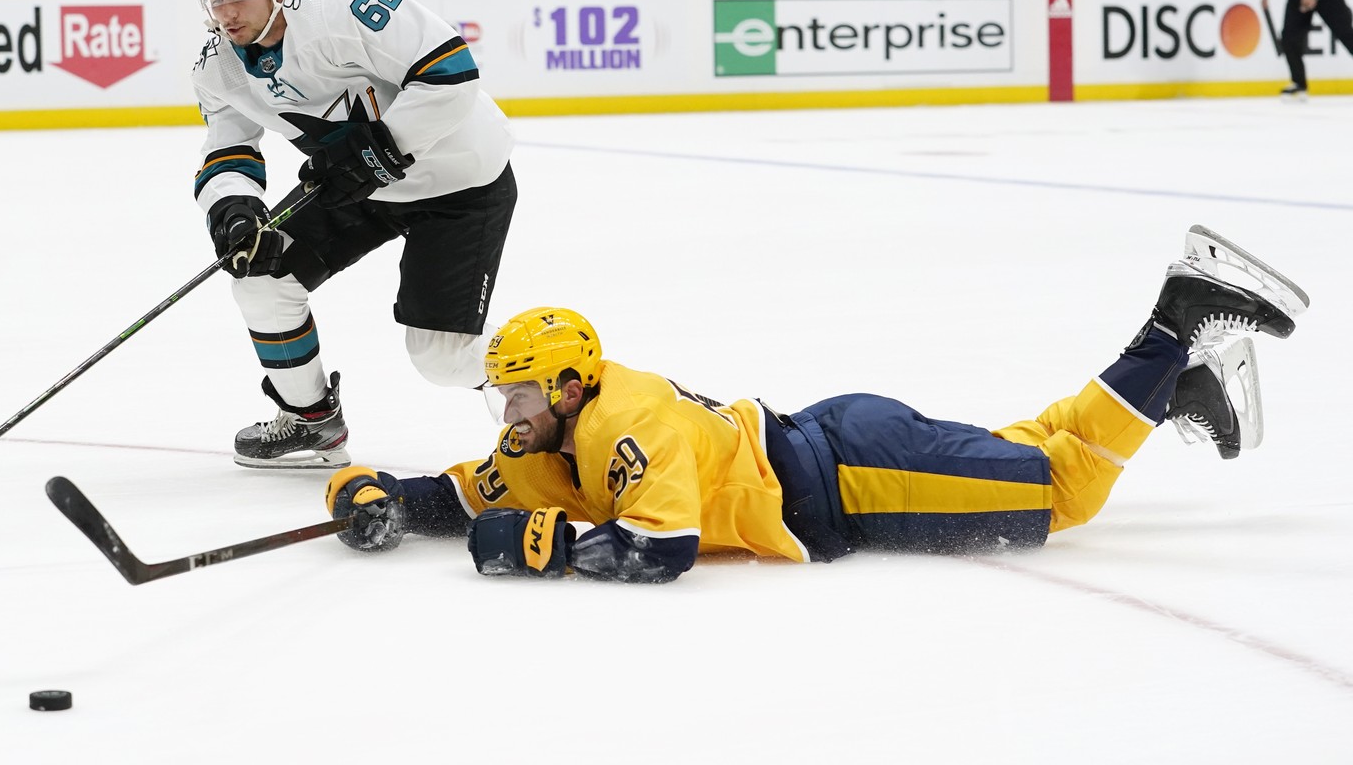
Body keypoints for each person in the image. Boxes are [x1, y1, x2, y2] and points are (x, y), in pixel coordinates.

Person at [324, 229, 1307, 583]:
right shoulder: (550, 437)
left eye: (522, 389)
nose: (509, 407)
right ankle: (1172, 387)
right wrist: (377, 496)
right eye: (507, 391)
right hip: (838, 445)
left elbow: (657, 551)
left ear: (573, 383)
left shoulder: (628, 426)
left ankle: (1178, 320)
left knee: (1059, 488)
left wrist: (538, 551)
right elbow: (459, 492)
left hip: (849, 479)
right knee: (1027, 446)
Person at [189, 0, 515, 468]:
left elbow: (452, 71)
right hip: (357, 188)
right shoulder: (216, 66)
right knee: (262, 277)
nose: (227, 11)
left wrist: (381, 147)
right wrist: (233, 210)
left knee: (441, 358)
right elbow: (229, 149)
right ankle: (310, 420)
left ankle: (558, 381)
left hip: (458, 178)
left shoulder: (339, 1)